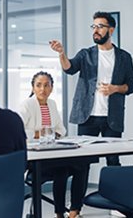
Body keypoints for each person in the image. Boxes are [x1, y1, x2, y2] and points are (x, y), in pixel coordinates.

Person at [49, 11, 133, 166]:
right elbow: (69, 68)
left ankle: (114, 191)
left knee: (113, 159)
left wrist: (115, 88)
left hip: (112, 118)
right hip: (87, 116)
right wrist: (61, 53)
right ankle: (79, 192)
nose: (95, 30)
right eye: (94, 26)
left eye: (100, 26)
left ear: (111, 30)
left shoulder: (124, 57)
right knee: (82, 163)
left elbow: (132, 85)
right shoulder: (86, 54)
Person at [17, 71, 87, 218]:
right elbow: (17, 130)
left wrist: (49, 133)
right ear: (33, 88)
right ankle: (59, 213)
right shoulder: (27, 105)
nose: (43, 89)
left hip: (53, 153)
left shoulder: (52, 104)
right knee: (61, 171)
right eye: (38, 85)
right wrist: (41, 134)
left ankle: (74, 211)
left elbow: (61, 130)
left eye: (46, 85)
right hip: (35, 159)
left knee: (81, 166)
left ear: (52, 88)